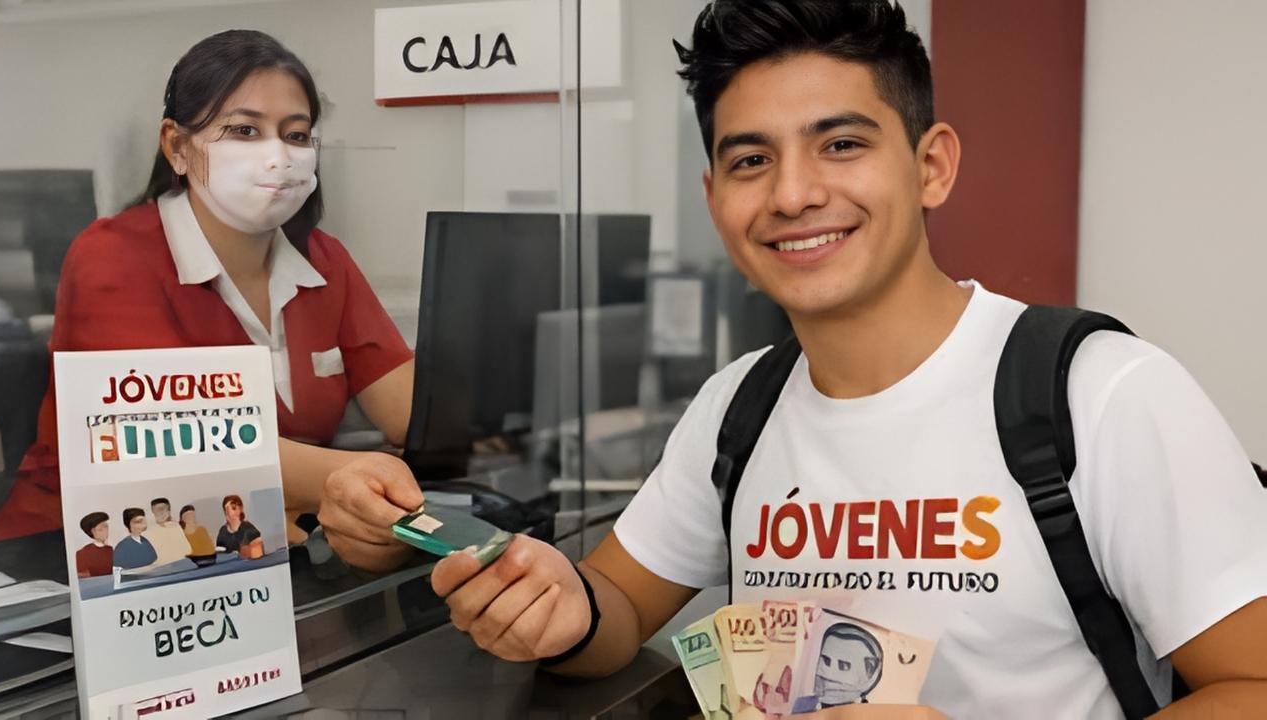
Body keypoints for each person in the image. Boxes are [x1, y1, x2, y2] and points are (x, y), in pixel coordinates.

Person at [431, 2, 1267, 717]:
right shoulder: (740, 406)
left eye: (840, 145)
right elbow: (615, 606)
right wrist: (555, 604)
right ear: (715, 197)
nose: (793, 194)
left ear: (931, 166)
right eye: (752, 159)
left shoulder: (1102, 391)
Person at [0, 30, 424, 571]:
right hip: (80, 559)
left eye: (296, 134)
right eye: (244, 130)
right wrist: (351, 476)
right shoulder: (114, 255)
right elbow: (174, 445)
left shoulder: (323, 260)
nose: (277, 156)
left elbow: (412, 411)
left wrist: (486, 423)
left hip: (242, 556)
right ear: (176, 145)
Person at [142, 497, 191, 564]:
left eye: (164, 509)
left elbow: (187, 550)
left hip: (183, 564)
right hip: (162, 568)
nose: (161, 513)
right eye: (158, 510)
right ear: (153, 512)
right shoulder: (147, 533)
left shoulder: (177, 527)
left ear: (169, 511)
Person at [215, 494, 263, 559]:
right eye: (233, 507)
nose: (237, 510)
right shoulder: (223, 531)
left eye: (237, 507)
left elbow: (258, 553)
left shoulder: (248, 528)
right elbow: (220, 553)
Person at [74, 511, 114, 578]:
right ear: (93, 531)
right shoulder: (82, 553)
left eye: (106, 527)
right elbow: (83, 577)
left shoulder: (110, 550)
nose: (106, 531)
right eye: (101, 529)